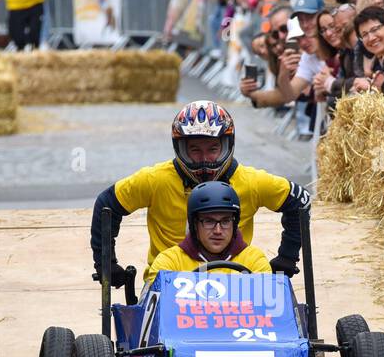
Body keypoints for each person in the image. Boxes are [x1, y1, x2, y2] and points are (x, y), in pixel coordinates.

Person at [91, 101, 310, 284]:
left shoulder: (251, 182)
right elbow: (106, 204)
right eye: (195, 150)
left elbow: (300, 202)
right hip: (168, 280)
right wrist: (106, 263)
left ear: (227, 146)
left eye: (213, 149)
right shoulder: (155, 180)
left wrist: (287, 257)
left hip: (235, 282)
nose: (204, 159)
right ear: (180, 148)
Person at [148, 182, 273, 279]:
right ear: (194, 225)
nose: (218, 230)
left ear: (234, 223)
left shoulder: (255, 261)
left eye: (225, 221)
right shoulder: (169, 262)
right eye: (209, 221)